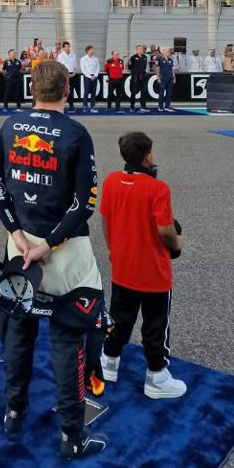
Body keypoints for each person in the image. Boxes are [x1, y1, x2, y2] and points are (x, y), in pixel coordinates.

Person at [0, 59, 108, 459]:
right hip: (62, 253)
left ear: (32, 89)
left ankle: (13, 410)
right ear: (68, 89)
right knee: (67, 339)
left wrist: (16, 234)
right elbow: (85, 202)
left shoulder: (10, 126)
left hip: (18, 249)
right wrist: (50, 243)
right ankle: (72, 435)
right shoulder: (76, 133)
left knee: (18, 335)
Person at [100, 132, 187, 399]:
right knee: (155, 325)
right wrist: (177, 244)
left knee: (119, 317)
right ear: (147, 156)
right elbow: (165, 230)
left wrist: (113, 249)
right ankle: (157, 376)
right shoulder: (158, 189)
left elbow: (105, 218)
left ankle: (109, 360)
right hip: (153, 273)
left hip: (123, 266)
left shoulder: (112, 181)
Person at [56, 41, 77, 111]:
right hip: (64, 75)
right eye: (67, 47)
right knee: (63, 90)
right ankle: (61, 105)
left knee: (71, 90)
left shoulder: (73, 55)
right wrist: (65, 74)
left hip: (72, 75)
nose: (68, 48)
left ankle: (71, 105)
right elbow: (59, 67)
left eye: (69, 46)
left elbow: (75, 66)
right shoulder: (60, 56)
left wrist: (74, 73)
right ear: (63, 48)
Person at [128, 45, 150, 111]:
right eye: (139, 49)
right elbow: (129, 67)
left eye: (141, 49)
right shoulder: (133, 57)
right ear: (136, 50)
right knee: (134, 92)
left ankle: (143, 106)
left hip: (143, 77)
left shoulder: (145, 57)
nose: (140, 50)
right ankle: (132, 106)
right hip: (135, 77)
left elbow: (145, 66)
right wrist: (134, 73)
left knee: (144, 92)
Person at [80, 45, 100, 112]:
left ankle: (92, 106)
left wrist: (95, 75)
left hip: (94, 77)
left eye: (93, 49)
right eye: (91, 49)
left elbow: (98, 68)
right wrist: (89, 76)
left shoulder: (96, 59)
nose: (93, 51)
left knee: (93, 92)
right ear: (88, 51)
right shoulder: (83, 59)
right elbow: (83, 69)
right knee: (86, 91)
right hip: (87, 77)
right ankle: (85, 106)